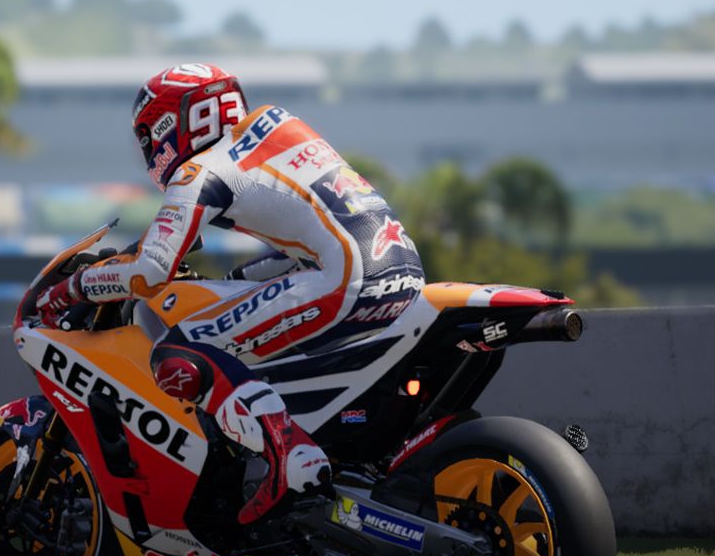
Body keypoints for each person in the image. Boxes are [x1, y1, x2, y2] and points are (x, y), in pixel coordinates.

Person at [35, 63, 425, 522]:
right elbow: (305, 242)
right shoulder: (279, 126)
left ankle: (287, 456)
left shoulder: (200, 169)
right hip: (403, 271)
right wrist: (238, 281)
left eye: (147, 137)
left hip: (348, 281)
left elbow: (150, 271)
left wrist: (73, 288)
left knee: (177, 351)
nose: (149, 151)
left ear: (172, 124)